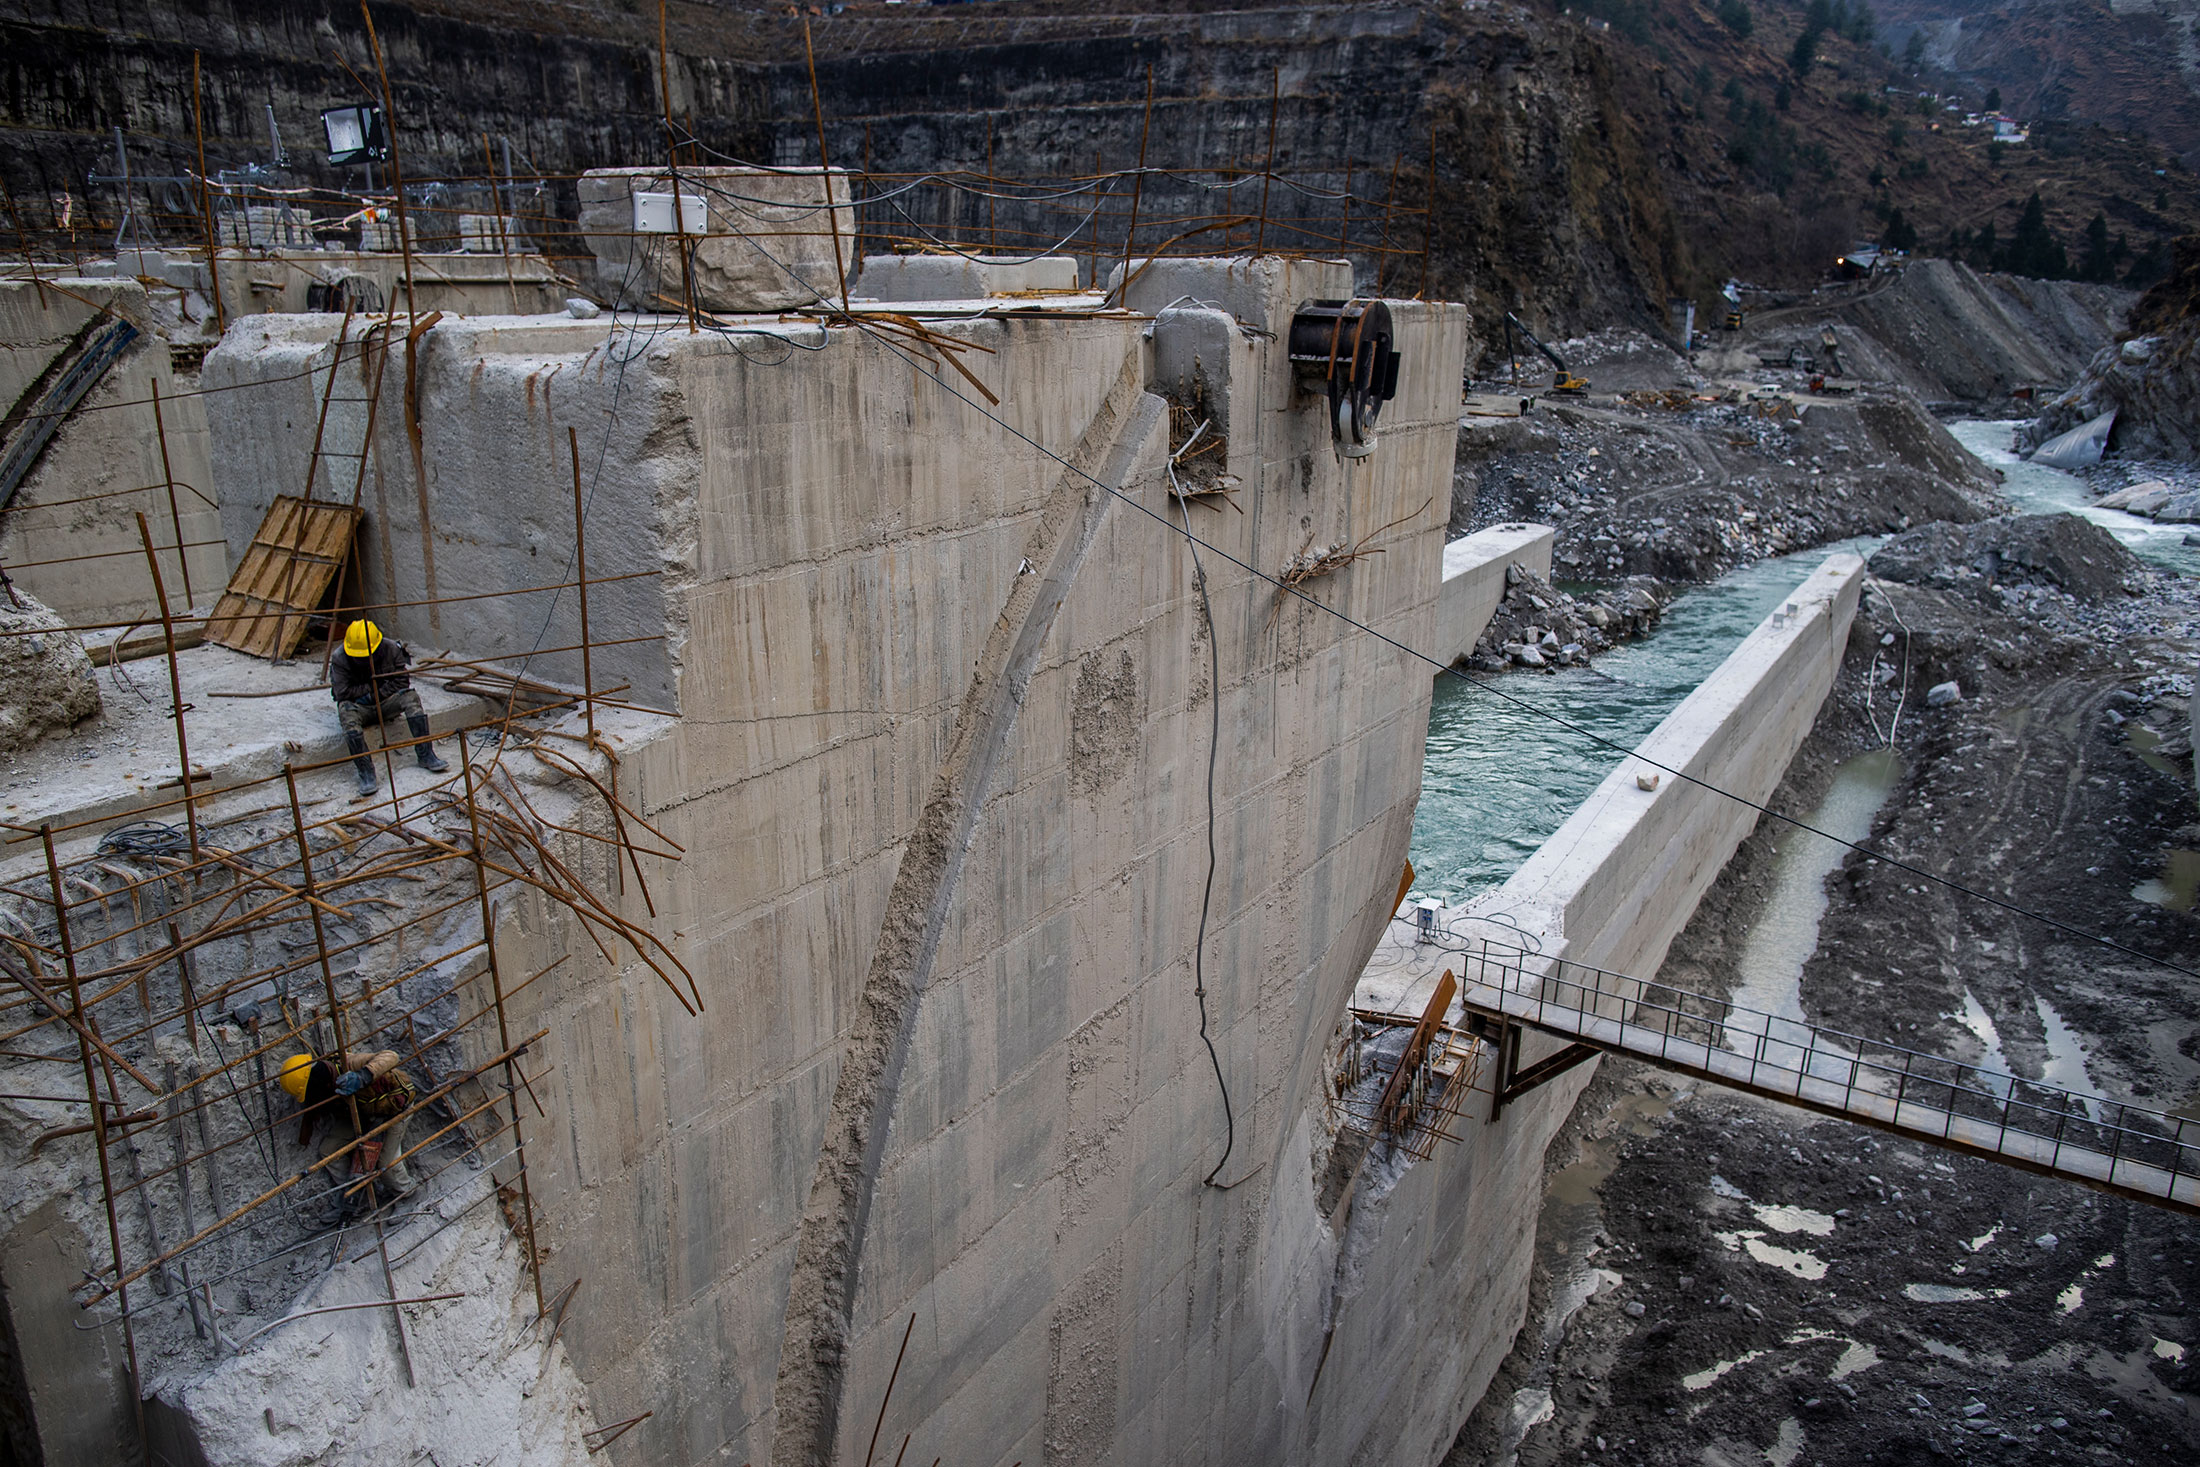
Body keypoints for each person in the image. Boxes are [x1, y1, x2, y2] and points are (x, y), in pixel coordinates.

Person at [278, 1048, 421, 1199]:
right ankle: (357, 1192)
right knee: (329, 1150)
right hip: (362, 1113)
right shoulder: (323, 1087)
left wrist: (362, 1077)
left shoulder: (348, 1064)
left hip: (395, 1107)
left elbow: (392, 1055)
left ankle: (407, 1194)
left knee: (386, 1162)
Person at [332, 619, 448, 795]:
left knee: (410, 697)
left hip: (385, 702)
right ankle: (366, 771)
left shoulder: (390, 649)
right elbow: (341, 693)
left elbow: (402, 681)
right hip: (359, 708)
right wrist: (373, 686)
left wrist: (373, 695)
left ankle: (426, 754)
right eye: (359, 656)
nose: (363, 659)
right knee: (346, 713)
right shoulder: (339, 658)